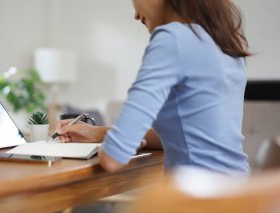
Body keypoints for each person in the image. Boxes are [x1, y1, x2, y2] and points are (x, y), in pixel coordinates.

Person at [56, 0, 251, 174]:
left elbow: (113, 158)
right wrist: (99, 133)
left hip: (199, 200)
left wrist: (118, 144)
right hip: (238, 193)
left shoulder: (172, 39)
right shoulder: (225, 43)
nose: (135, 14)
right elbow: (184, 137)